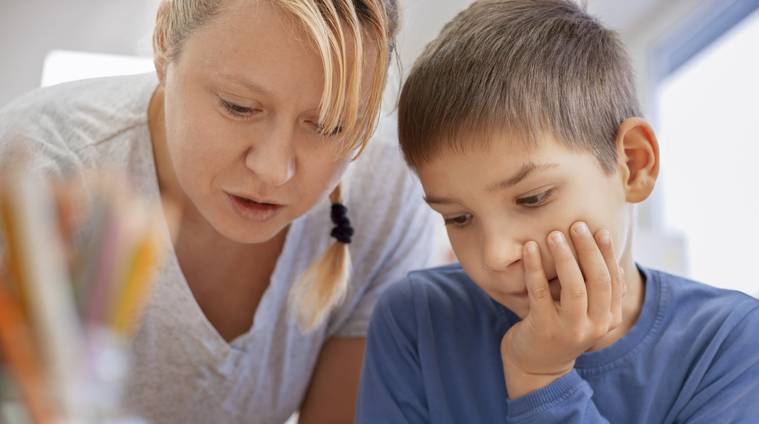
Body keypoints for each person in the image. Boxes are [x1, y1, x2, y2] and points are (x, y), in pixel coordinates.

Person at [0, 0, 437, 423]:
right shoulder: (36, 175)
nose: (274, 169)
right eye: (239, 106)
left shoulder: (386, 190)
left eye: (329, 125)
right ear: (163, 37)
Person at [355, 0, 759, 422]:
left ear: (634, 165)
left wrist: (541, 380)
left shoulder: (726, 338)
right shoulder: (415, 321)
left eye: (533, 198)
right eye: (459, 218)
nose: (496, 255)